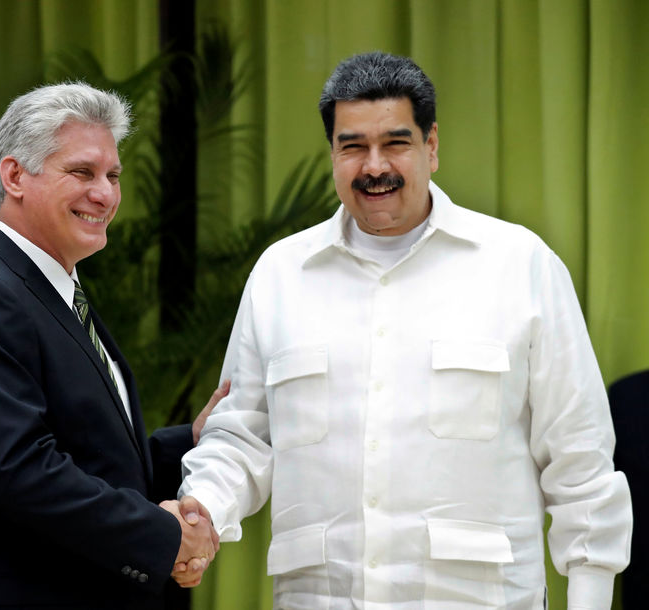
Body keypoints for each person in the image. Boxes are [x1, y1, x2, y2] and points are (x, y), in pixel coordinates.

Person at [178, 52, 632, 609]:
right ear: (333, 153)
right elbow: (240, 437)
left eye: (395, 142)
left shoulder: (520, 266)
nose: (374, 166)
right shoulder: (281, 275)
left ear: (431, 145)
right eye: (353, 146)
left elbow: (580, 462)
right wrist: (198, 511)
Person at [0, 82, 223, 609]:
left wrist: (192, 440)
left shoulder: (52, 291)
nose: (106, 194)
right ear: (15, 176)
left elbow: (89, 454)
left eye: (113, 175)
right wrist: (164, 537)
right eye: (82, 172)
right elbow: (19, 473)